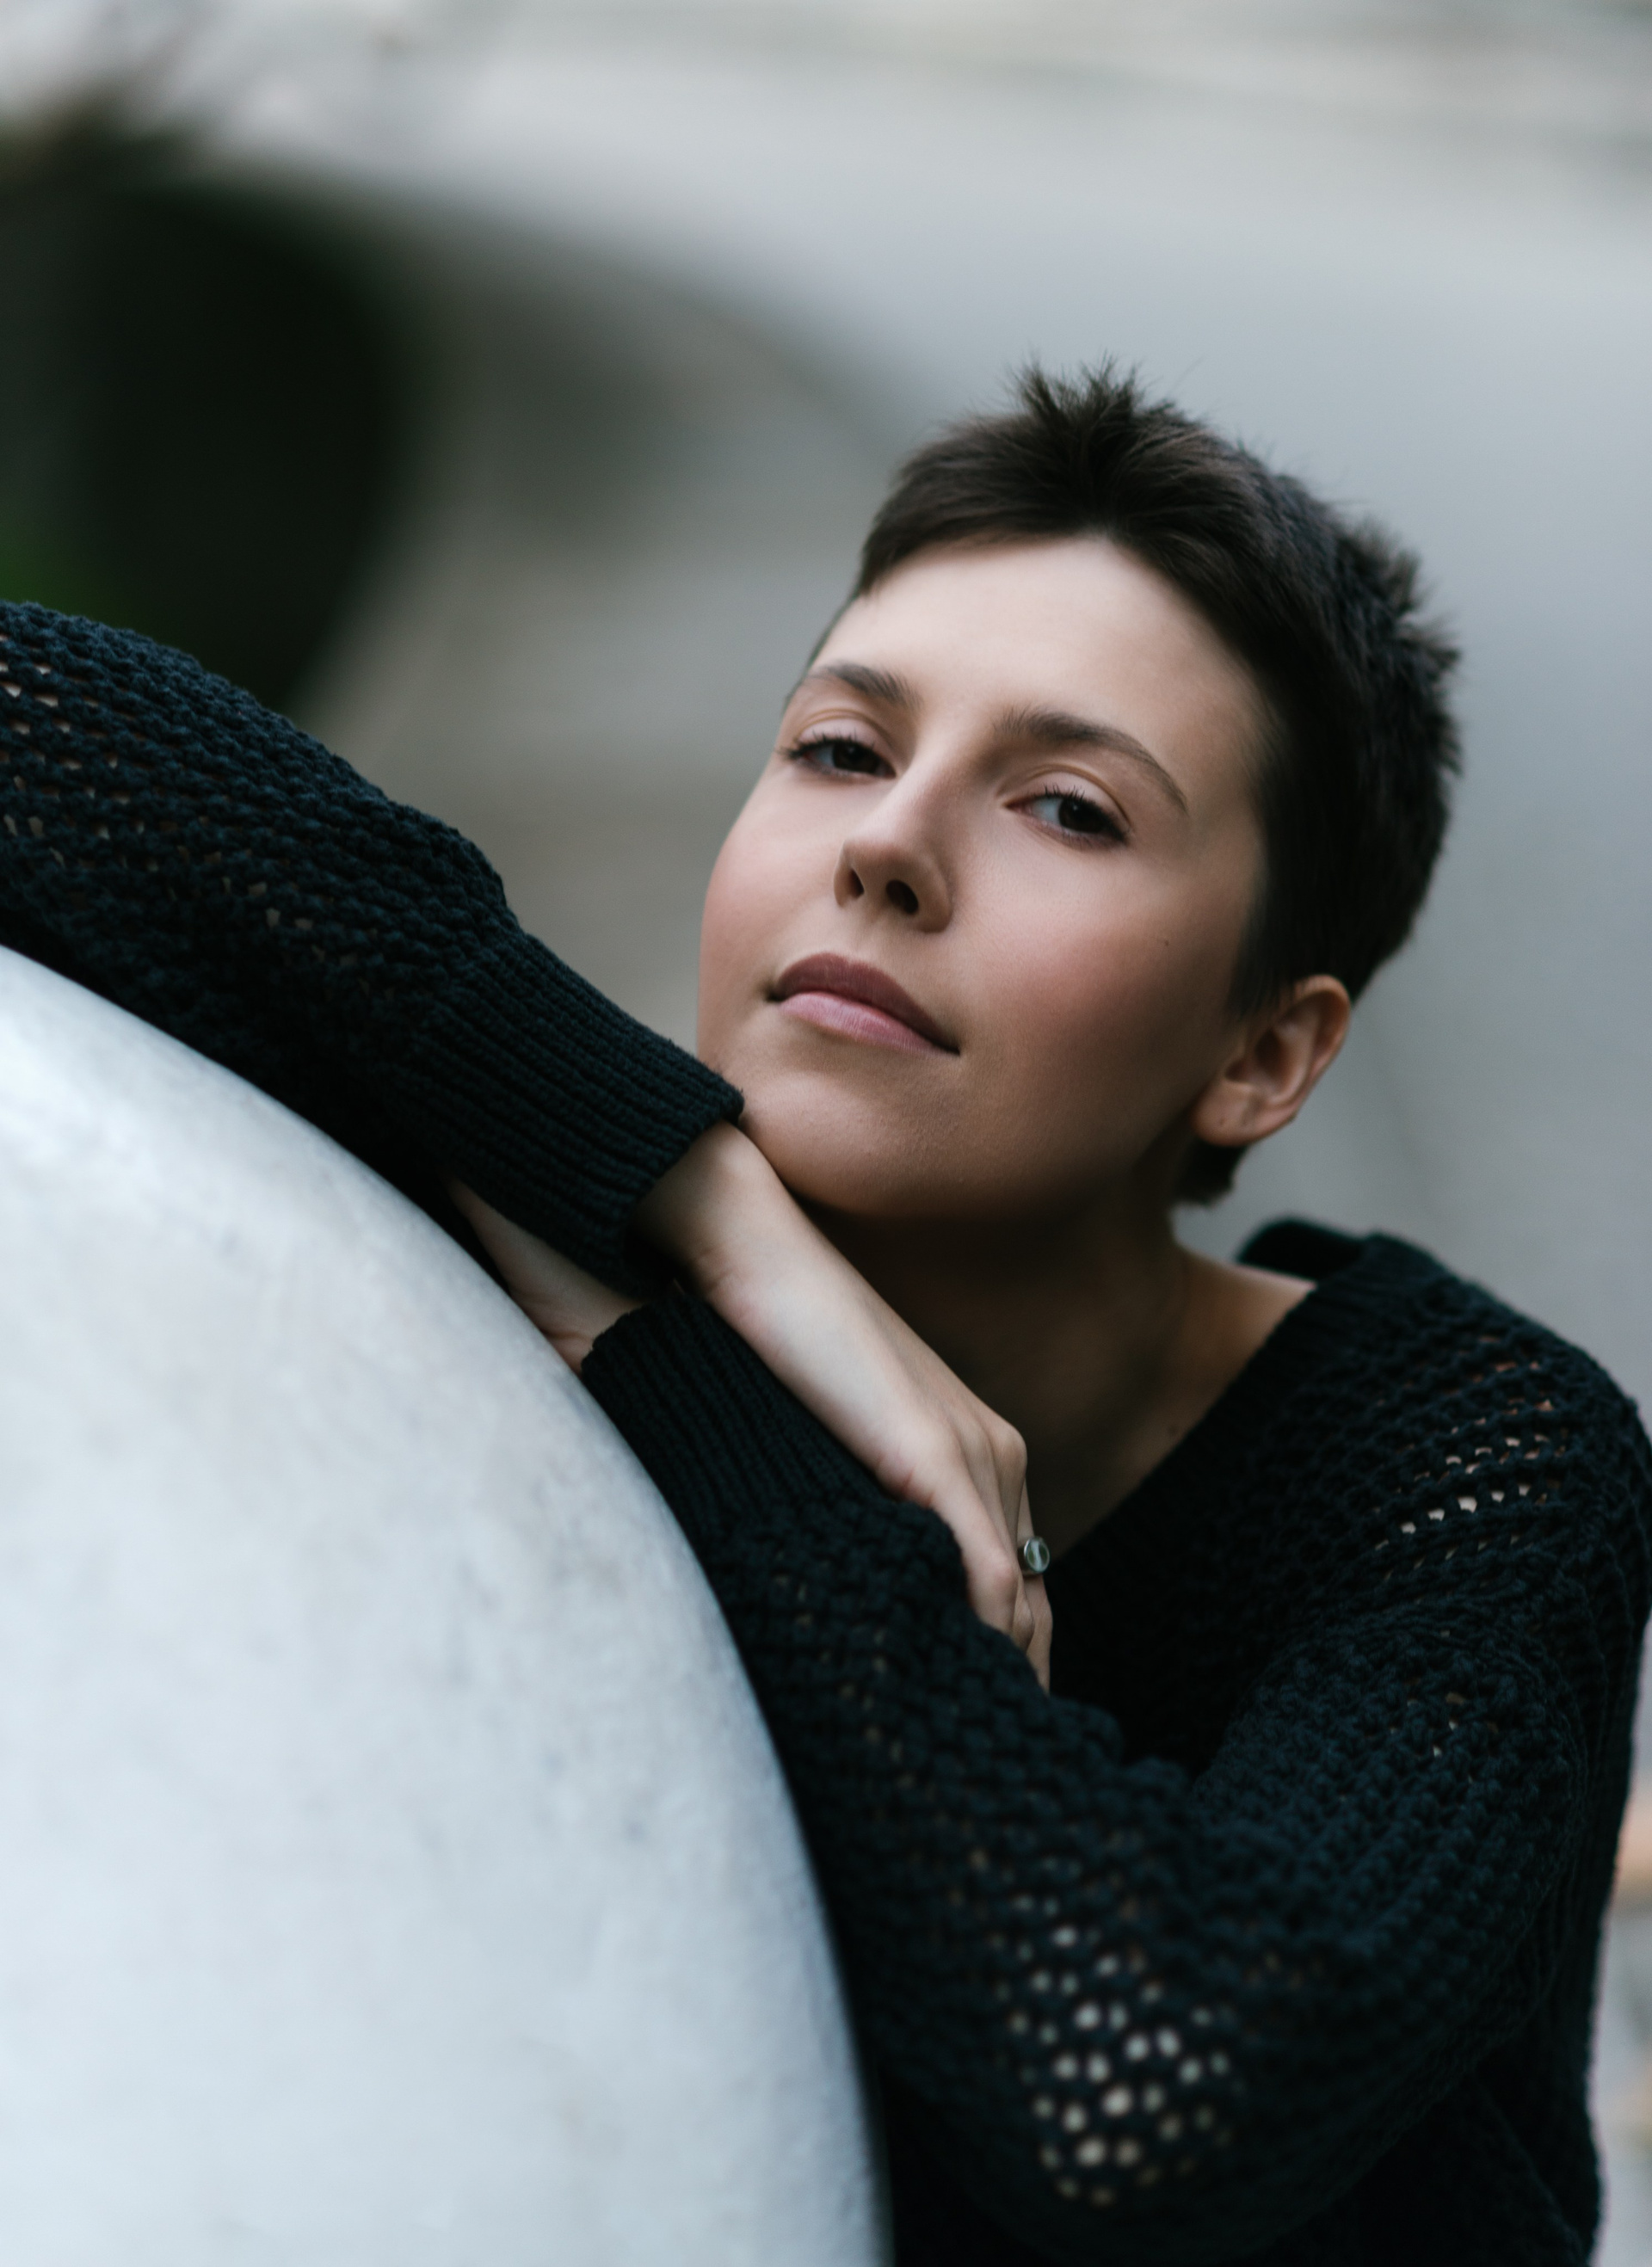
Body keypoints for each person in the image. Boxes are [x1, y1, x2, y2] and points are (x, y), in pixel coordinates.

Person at [3, 367, 1646, 2266]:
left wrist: (686, 1374)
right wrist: (712, 1214)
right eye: (842, 749)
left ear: (1263, 1056)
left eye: (1069, 808)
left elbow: (1151, 2090)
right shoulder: (570, 1203)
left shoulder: (1476, 1460)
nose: (889, 847)